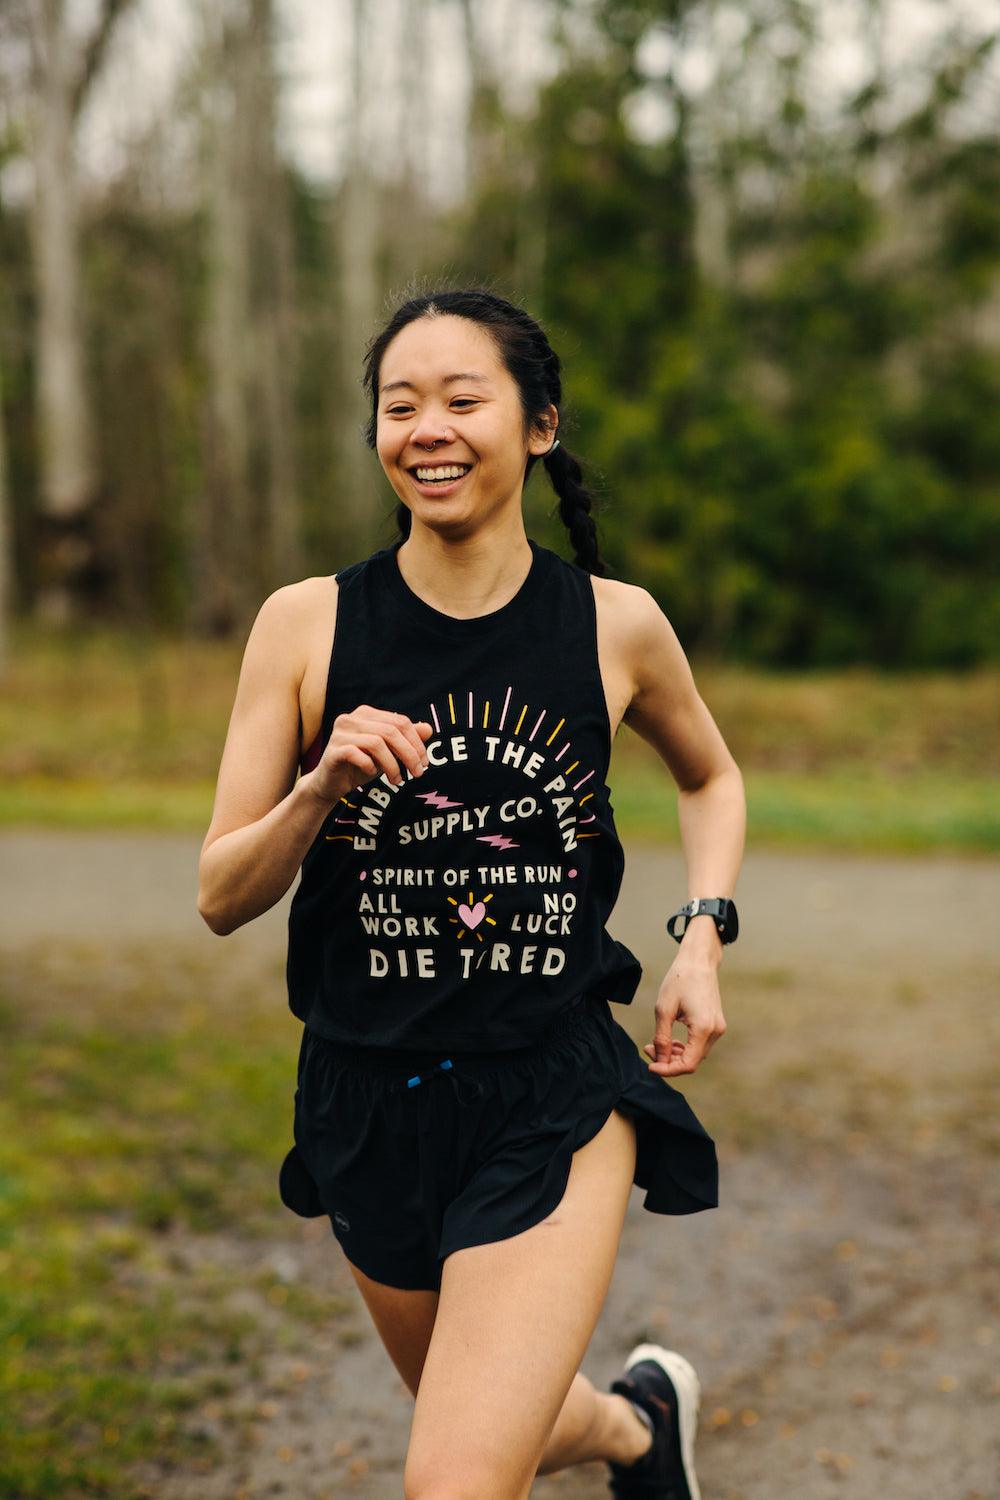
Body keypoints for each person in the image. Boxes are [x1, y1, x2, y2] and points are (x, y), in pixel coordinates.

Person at [197, 285, 746, 1500]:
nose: (426, 428)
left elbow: (710, 778)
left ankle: (624, 1430)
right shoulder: (305, 627)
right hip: (362, 1099)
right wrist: (317, 789)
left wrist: (701, 937)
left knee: (453, 1480)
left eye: (461, 399)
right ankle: (639, 1432)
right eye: (400, 405)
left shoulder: (614, 626)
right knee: (511, 1422)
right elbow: (220, 893)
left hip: (547, 1092)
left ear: (539, 425)